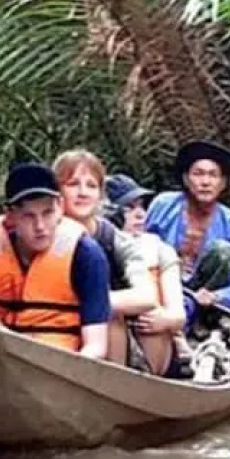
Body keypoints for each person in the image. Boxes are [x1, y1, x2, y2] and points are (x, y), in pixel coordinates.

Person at [0, 162, 111, 359]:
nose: (40, 226)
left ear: (60, 208)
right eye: (28, 216)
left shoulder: (86, 255)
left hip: (61, 364)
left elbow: (96, 346)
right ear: (10, 216)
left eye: (47, 213)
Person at [143, 139, 230, 336]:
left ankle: (201, 322)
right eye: (198, 174)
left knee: (222, 252)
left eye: (213, 175)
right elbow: (141, 248)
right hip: (166, 290)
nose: (205, 182)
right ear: (186, 179)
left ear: (222, 184)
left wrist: (218, 297)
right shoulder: (163, 205)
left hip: (206, 303)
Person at [52, 149, 157, 366]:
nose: (83, 193)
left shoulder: (113, 239)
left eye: (91, 186)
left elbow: (147, 296)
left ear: (100, 195)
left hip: (105, 336)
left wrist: (90, 303)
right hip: (50, 326)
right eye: (73, 184)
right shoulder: (40, 233)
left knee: (107, 315)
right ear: (57, 192)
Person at [105, 173, 188, 377]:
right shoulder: (94, 244)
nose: (140, 215)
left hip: (154, 340)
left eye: (141, 206)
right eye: (129, 208)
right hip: (111, 337)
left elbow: (178, 315)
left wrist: (165, 320)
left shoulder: (159, 248)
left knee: (149, 318)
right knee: (111, 317)